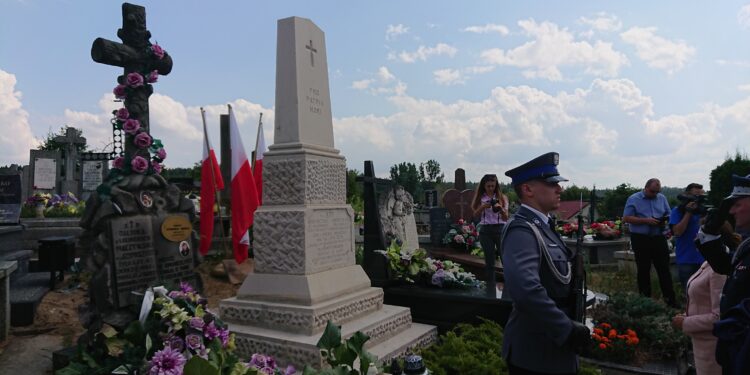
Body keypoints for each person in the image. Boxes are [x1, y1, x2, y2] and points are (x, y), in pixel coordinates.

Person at [501, 152, 590, 375]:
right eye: (551, 184)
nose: (559, 189)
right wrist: (566, 329)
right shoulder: (522, 230)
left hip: (555, 350)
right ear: (528, 190)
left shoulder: (544, 227)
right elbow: (525, 290)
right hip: (536, 353)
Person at [696, 174, 750, 374]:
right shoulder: (747, 243)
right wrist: (709, 232)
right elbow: (726, 266)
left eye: (737, 204)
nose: (732, 211)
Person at [622, 178, 677, 307]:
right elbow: (626, 218)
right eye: (652, 191)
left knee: (664, 269)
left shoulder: (661, 198)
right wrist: (646, 221)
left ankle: (670, 301)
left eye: (657, 192)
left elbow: (669, 214)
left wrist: (665, 220)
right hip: (641, 238)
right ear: (646, 188)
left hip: (658, 237)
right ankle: (645, 301)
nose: (654, 194)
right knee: (643, 270)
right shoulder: (634, 198)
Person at [672, 261, 726, 375]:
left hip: (711, 348)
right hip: (701, 346)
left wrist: (685, 322)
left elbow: (718, 317)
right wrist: (686, 316)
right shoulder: (708, 264)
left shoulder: (718, 271)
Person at [471, 173, 509, 297]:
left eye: (493, 186)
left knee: (505, 259)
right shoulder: (479, 198)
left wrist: (501, 208)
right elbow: (475, 215)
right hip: (486, 230)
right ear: (484, 186)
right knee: (489, 261)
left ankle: (508, 287)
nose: (491, 188)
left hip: (500, 229)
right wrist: (483, 207)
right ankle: (490, 289)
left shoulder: (502, 198)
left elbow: (506, 217)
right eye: (488, 186)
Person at [670, 183, 707, 289]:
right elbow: (677, 232)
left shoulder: (703, 211)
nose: (698, 199)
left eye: (701, 196)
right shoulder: (677, 211)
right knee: (689, 294)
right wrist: (688, 213)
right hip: (687, 259)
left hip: (704, 259)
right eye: (696, 195)